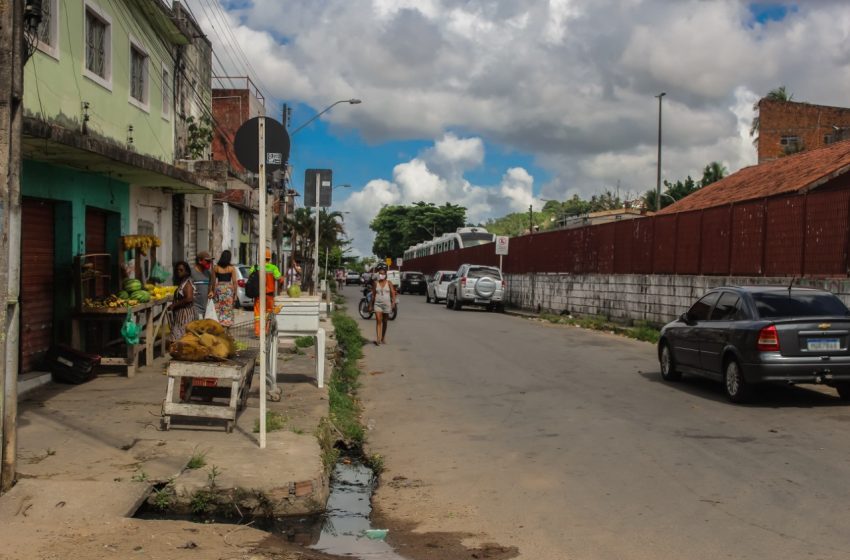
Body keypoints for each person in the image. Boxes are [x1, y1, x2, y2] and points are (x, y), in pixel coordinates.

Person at [250, 249, 284, 336]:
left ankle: (258, 333)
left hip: (258, 295)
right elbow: (279, 278)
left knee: (258, 314)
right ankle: (266, 331)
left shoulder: (255, 267)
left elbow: (250, 277)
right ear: (269, 258)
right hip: (269, 295)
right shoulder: (273, 268)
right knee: (269, 312)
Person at [368, 264, 397, 345]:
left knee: (385, 321)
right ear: (378, 274)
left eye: (383, 274)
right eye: (380, 274)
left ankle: (383, 337)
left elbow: (393, 293)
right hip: (377, 304)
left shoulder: (389, 283)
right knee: (378, 320)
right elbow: (373, 295)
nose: (382, 275)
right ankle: (378, 339)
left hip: (387, 305)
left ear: (385, 274)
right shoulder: (375, 283)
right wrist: (370, 305)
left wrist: (393, 303)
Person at [168, 261, 195, 342]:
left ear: (186, 271)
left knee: (182, 338)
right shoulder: (183, 282)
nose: (178, 272)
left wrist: (174, 305)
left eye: (181, 270)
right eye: (177, 270)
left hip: (185, 315)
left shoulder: (187, 283)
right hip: (180, 315)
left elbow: (189, 298)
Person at [210, 249, 237, 327]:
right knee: (228, 308)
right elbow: (235, 282)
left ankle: (219, 324)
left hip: (219, 289)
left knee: (219, 308)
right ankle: (227, 325)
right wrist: (235, 294)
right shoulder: (232, 268)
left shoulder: (216, 268)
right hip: (228, 289)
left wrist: (212, 291)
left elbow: (213, 282)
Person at [191, 251, 214, 320]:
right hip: (195, 308)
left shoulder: (208, 273)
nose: (209, 263)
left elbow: (210, 288)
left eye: (210, 261)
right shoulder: (192, 273)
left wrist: (211, 292)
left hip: (206, 309)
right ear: (200, 261)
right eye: (207, 261)